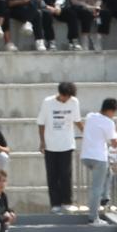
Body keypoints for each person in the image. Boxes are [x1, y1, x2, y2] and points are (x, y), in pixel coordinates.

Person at [81, 97, 117, 224]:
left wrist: (114, 129)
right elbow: (114, 144)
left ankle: (105, 197)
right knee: (96, 188)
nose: (114, 115)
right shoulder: (109, 122)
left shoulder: (90, 116)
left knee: (108, 173)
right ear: (110, 110)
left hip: (85, 156)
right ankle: (93, 217)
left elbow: (99, 129)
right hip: (98, 158)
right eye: (114, 112)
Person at [37, 81, 80, 212]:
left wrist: (88, 133)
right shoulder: (48, 102)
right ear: (60, 93)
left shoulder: (74, 102)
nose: (66, 99)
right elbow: (41, 123)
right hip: (50, 145)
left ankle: (67, 201)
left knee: (66, 174)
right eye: (64, 96)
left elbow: (77, 121)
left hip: (67, 144)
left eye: (68, 97)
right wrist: (42, 142)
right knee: (52, 175)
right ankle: (55, 203)